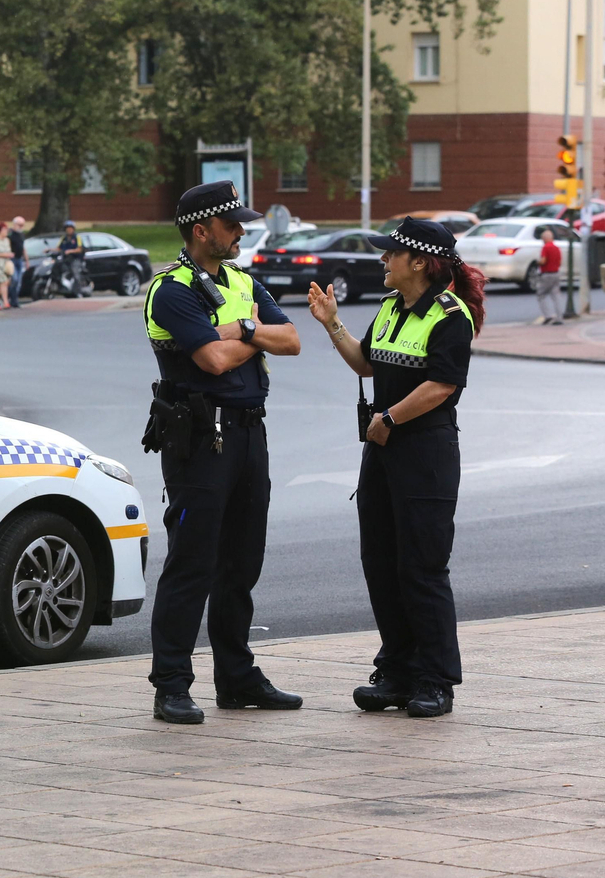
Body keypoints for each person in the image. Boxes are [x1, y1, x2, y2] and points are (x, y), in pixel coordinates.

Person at [307, 217, 485, 718]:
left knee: (422, 569)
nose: (383, 261)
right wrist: (331, 322)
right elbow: (366, 362)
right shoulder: (389, 308)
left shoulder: (451, 316)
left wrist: (389, 417)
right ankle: (398, 672)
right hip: (382, 452)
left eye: (391, 254)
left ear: (420, 263)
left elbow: (444, 385)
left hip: (424, 454)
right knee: (381, 564)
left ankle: (435, 680)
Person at [141, 181, 303, 725]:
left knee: (241, 564)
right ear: (200, 231)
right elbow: (210, 361)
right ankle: (171, 684)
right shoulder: (171, 290)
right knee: (192, 563)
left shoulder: (242, 281)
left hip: (249, 434)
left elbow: (292, 339)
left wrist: (244, 326)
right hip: (199, 439)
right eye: (232, 225)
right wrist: (251, 336)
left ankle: (236, 678)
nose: (241, 232)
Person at [536, 227, 564, 325]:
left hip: (547, 274)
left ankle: (547, 315)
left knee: (540, 294)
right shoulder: (557, 248)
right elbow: (560, 261)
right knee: (556, 296)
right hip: (556, 273)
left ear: (545, 238)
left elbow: (543, 260)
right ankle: (559, 317)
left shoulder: (546, 247)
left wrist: (538, 262)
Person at [6, 215, 27, 308]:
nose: (21, 227)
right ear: (14, 224)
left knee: (18, 281)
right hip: (12, 260)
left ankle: (14, 300)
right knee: (14, 279)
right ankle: (10, 298)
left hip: (19, 259)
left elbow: (23, 248)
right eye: (20, 225)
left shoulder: (22, 235)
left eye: (23, 225)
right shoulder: (10, 234)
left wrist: (27, 260)